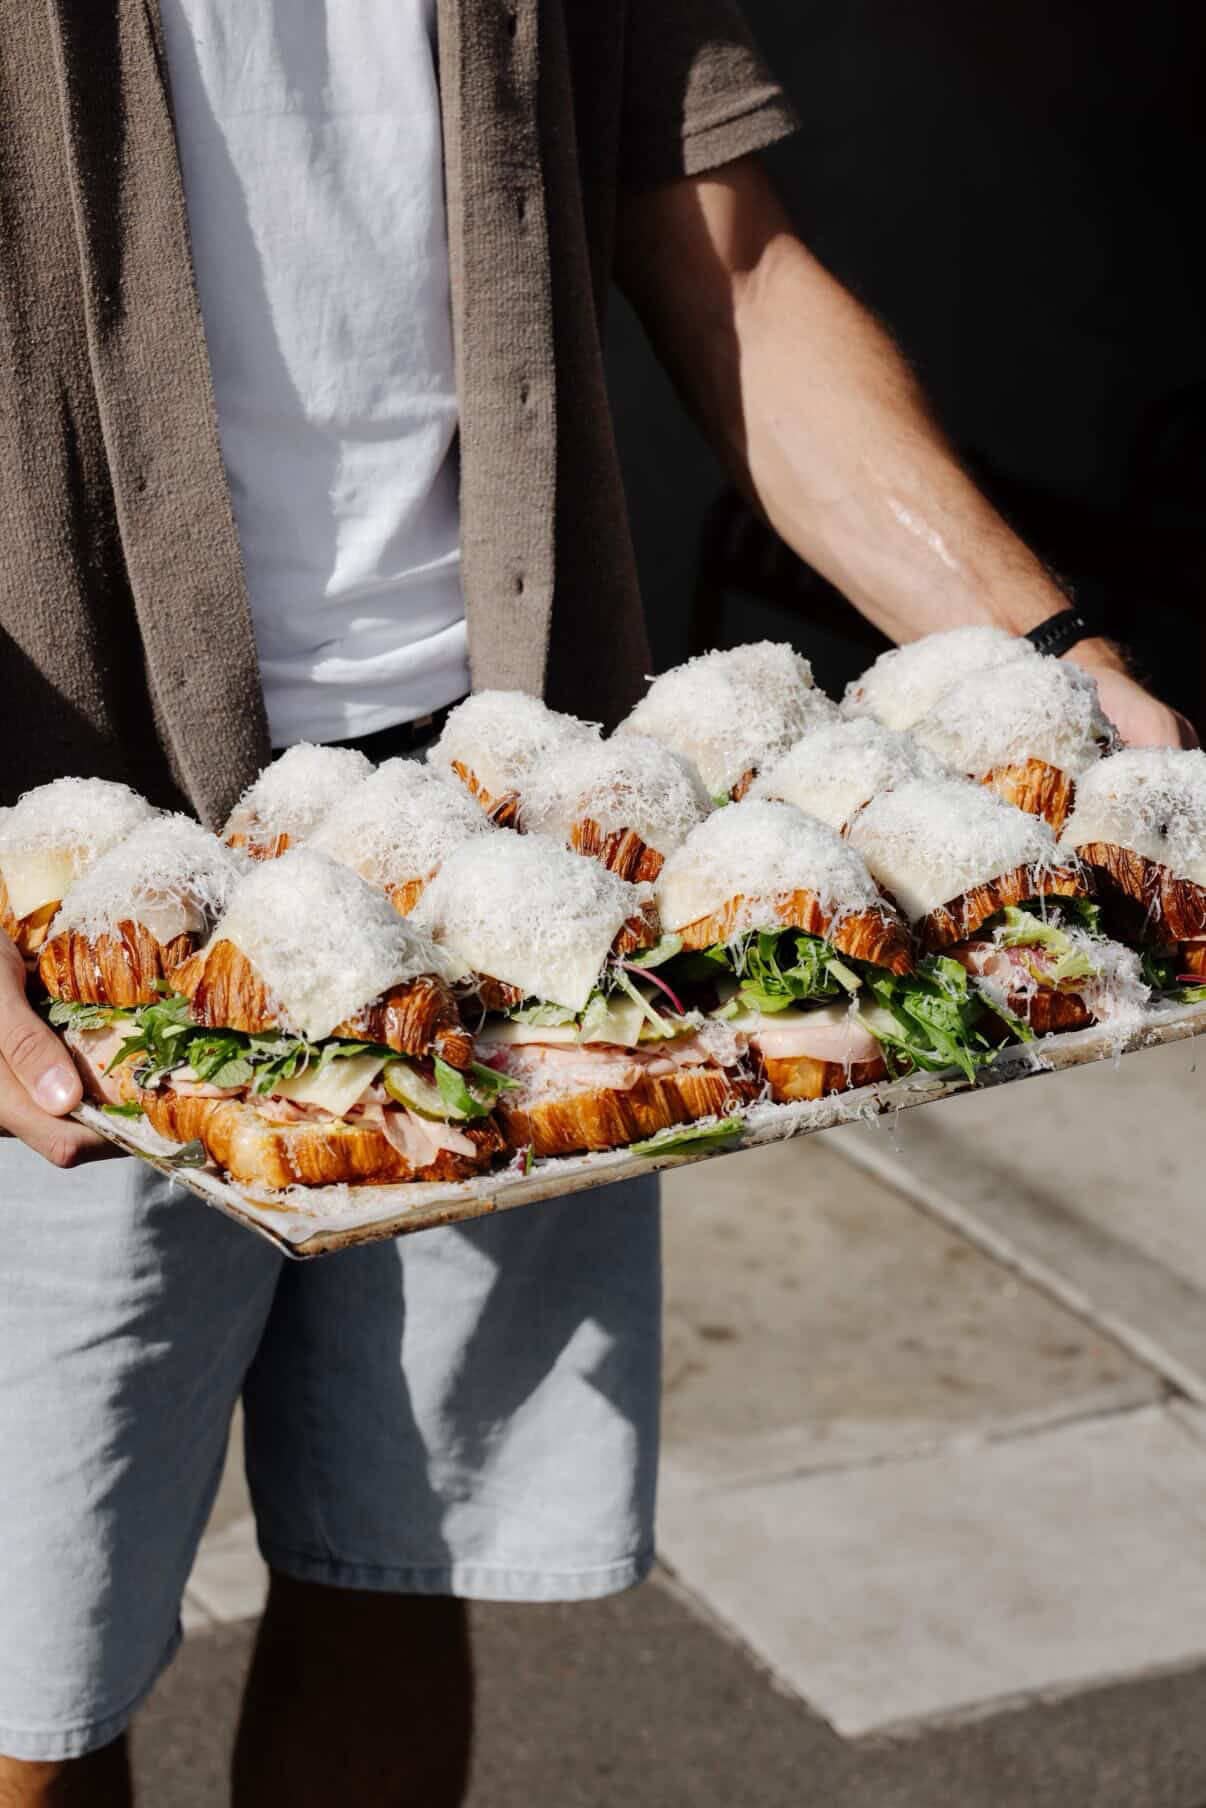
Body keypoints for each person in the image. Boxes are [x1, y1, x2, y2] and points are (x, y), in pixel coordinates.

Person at [0, 2, 1193, 1803]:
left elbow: (732, 262)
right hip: (63, 851)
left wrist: (1032, 642)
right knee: (36, 1673)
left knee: (400, 1566)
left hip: (521, 826)